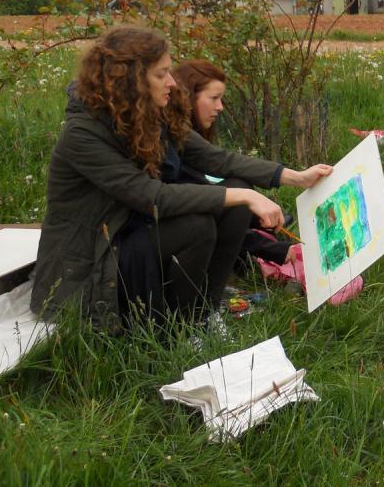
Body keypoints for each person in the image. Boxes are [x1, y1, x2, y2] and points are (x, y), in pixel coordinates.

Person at [30, 26, 332, 331]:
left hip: (130, 233)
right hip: (98, 256)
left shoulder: (145, 115)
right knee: (197, 224)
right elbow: (152, 197)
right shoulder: (82, 134)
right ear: (129, 80)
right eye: (161, 74)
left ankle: (204, 312)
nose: (173, 83)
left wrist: (296, 177)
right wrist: (247, 197)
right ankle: (177, 331)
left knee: (236, 196)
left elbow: (216, 158)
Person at [173, 58, 296, 266]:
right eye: (214, 98)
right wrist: (276, 250)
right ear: (188, 96)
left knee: (241, 194)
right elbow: (213, 213)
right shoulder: (177, 142)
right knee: (239, 191)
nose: (220, 107)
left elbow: (226, 161)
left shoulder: (189, 136)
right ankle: (208, 296)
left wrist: (297, 178)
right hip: (180, 239)